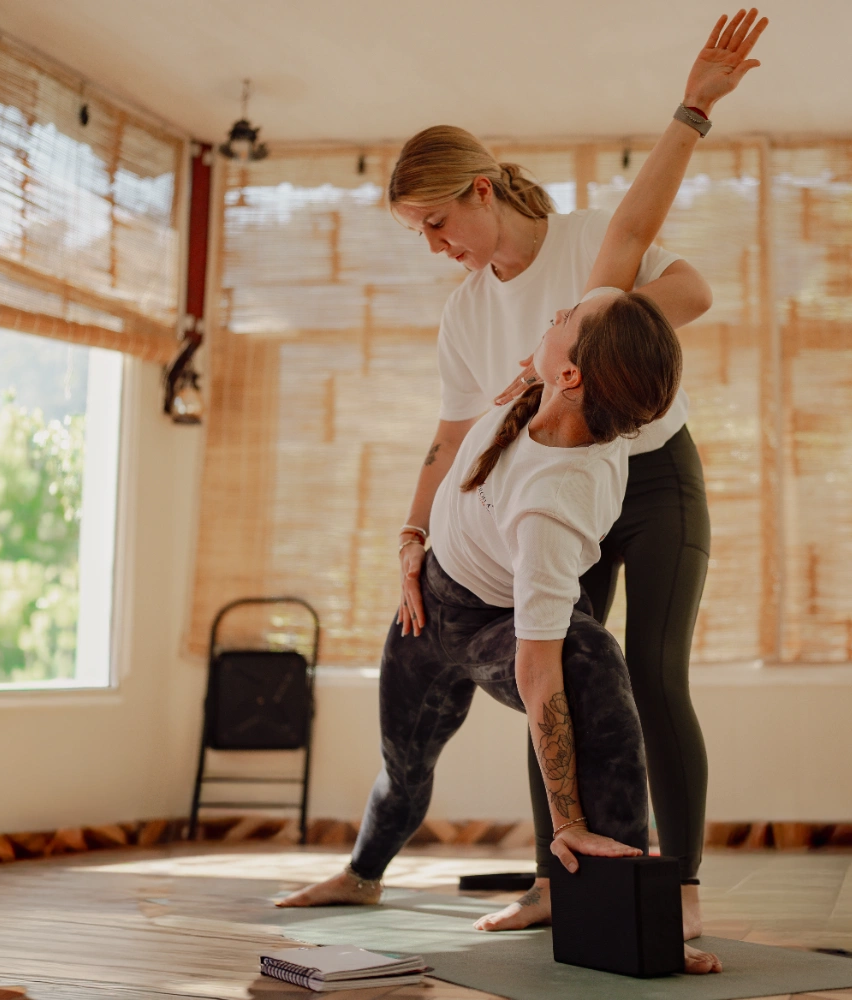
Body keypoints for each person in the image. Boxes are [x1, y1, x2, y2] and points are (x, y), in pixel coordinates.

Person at [277, 11, 768, 976]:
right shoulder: (466, 313)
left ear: (480, 189)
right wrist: (412, 531)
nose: (433, 246)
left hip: (649, 478)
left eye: (435, 223)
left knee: (651, 671)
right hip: (552, 500)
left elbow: (680, 279)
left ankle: (676, 890)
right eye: (418, 234)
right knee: (558, 670)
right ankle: (557, 881)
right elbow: (451, 435)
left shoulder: (584, 250)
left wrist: (591, 337)